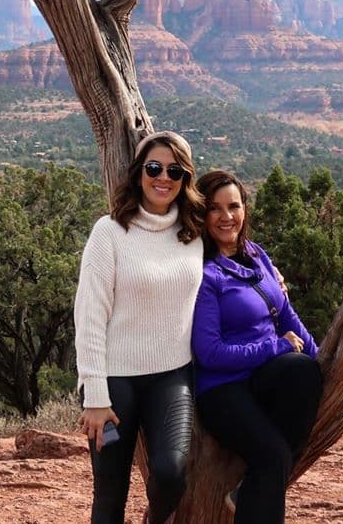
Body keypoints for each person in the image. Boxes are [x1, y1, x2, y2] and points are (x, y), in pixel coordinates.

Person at [74, 131, 205, 524]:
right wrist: (94, 395)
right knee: (110, 493)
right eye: (154, 168)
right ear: (138, 173)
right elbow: (90, 315)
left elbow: (239, 252)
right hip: (114, 383)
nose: (163, 177)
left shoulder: (193, 232)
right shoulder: (109, 232)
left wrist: (273, 280)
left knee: (171, 474)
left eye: (174, 171)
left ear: (185, 179)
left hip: (172, 375)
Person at [191, 170, 323, 524]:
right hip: (222, 389)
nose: (226, 216)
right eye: (215, 209)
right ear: (202, 214)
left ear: (245, 210)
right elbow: (209, 352)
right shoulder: (204, 274)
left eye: (233, 206)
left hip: (262, 379)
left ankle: (250, 490)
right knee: (273, 457)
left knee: (306, 371)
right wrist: (274, 348)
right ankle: (256, 486)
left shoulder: (256, 254)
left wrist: (318, 358)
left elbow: (285, 315)